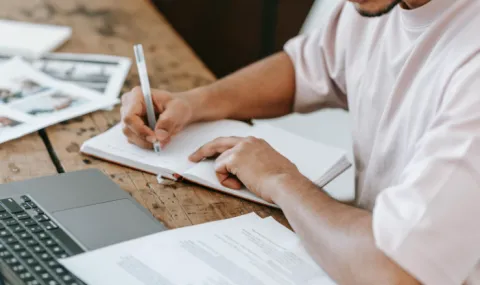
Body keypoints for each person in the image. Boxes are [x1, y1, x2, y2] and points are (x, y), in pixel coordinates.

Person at [121, 0, 480, 283]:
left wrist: (280, 179)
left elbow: (397, 270)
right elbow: (310, 66)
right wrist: (196, 102)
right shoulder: (376, 7)